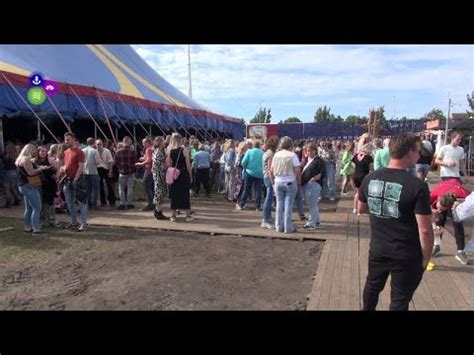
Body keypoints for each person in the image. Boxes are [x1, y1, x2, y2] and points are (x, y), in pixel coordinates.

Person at [358, 133, 433, 311]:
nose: (419, 155)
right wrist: (425, 258)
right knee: (399, 300)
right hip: (406, 253)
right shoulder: (417, 186)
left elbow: (361, 208)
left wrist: (382, 208)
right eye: (418, 151)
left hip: (378, 248)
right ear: (408, 152)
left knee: (372, 287)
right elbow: (425, 231)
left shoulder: (370, 178)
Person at [429, 178, 470, 265]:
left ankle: (460, 251)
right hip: (444, 188)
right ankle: (436, 245)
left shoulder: (463, 195)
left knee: (457, 222)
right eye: (438, 206)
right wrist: (432, 209)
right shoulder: (433, 194)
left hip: (457, 199)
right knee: (439, 222)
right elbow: (422, 206)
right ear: (438, 199)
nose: (439, 209)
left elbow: (470, 201)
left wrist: (459, 203)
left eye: (442, 209)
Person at [15, 143, 50, 234]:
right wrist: (41, 169)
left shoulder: (19, 159)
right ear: (29, 150)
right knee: (37, 207)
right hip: (29, 185)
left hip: (23, 185)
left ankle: (27, 227)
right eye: (34, 150)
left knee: (29, 208)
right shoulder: (26, 160)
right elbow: (30, 173)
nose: (35, 151)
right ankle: (36, 228)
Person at [270, 136, 301, 234]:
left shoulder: (276, 155)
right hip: (290, 182)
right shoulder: (293, 155)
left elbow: (271, 170)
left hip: (278, 182)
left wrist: (273, 181)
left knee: (279, 205)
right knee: (288, 205)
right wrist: (298, 180)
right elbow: (297, 171)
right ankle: (288, 227)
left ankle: (278, 226)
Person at [61, 133, 88, 232]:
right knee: (69, 202)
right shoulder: (66, 152)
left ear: (73, 139)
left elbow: (81, 166)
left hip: (77, 180)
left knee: (81, 202)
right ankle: (73, 221)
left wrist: (76, 179)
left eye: (68, 139)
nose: (66, 141)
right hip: (67, 179)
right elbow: (65, 164)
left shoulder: (79, 152)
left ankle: (84, 223)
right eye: (65, 140)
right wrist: (63, 168)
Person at [167, 133, 193, 222]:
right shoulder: (184, 150)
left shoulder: (170, 150)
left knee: (175, 195)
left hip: (174, 174)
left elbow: (168, 164)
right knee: (185, 194)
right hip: (183, 173)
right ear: (180, 139)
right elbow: (188, 164)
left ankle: (173, 215)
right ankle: (188, 215)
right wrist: (190, 175)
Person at [301, 142, 325, 230]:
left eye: (311, 151)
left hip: (314, 184)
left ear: (315, 151)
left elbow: (323, 173)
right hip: (307, 184)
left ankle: (311, 223)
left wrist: (313, 179)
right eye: (308, 151)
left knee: (312, 204)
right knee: (312, 204)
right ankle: (316, 220)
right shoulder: (307, 160)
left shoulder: (319, 161)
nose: (309, 152)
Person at [237, 140, 264, 211]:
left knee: (246, 189)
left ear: (253, 145)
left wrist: (245, 168)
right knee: (258, 190)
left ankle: (242, 204)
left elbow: (243, 162)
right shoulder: (263, 153)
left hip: (249, 172)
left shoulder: (249, 151)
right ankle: (257, 206)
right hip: (260, 174)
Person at [261, 136, 279, 229]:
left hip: (266, 177)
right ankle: (265, 220)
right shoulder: (271, 154)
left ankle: (267, 216)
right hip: (269, 178)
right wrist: (273, 180)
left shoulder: (266, 153)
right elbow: (269, 169)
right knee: (269, 199)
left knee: (269, 198)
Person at [115, 136, 137, 210]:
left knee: (121, 189)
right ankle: (129, 203)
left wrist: (120, 168)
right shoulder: (132, 152)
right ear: (129, 142)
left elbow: (116, 162)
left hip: (122, 172)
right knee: (129, 188)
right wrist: (133, 169)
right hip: (130, 172)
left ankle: (122, 204)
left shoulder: (118, 152)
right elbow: (135, 162)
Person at [352, 144, 373, 214]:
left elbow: (353, 166)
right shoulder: (369, 158)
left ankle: (355, 208)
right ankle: (360, 209)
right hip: (365, 177)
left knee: (357, 193)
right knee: (364, 193)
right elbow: (371, 169)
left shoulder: (355, 156)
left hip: (356, 176)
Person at [135, 137, 155, 211]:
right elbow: (149, 158)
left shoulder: (149, 149)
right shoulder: (151, 149)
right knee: (151, 186)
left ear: (147, 143)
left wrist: (140, 164)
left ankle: (150, 203)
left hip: (149, 169)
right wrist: (143, 158)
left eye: (144, 143)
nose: (142, 144)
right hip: (151, 170)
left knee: (146, 185)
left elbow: (149, 160)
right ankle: (153, 202)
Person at [151, 136, 168, 220]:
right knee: (159, 192)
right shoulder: (159, 152)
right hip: (159, 174)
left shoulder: (156, 151)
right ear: (160, 142)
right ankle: (158, 211)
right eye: (163, 141)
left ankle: (157, 210)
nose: (165, 142)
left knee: (159, 192)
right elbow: (161, 164)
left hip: (157, 173)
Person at [96, 139, 116, 208]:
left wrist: (110, 171)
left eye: (100, 144)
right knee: (100, 186)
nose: (99, 146)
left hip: (106, 169)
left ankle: (112, 201)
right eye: (97, 144)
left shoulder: (107, 151)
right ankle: (103, 202)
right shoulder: (95, 152)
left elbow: (111, 161)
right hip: (98, 170)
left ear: (102, 144)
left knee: (109, 185)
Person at [82, 137, 100, 209]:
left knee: (87, 189)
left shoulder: (83, 150)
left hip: (85, 171)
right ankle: (94, 204)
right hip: (93, 172)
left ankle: (88, 204)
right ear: (94, 143)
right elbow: (97, 162)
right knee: (95, 189)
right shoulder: (95, 151)